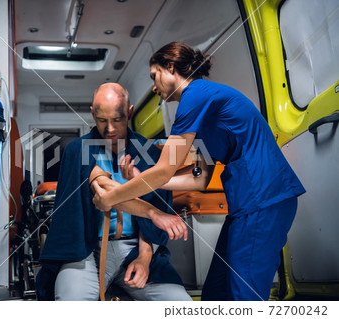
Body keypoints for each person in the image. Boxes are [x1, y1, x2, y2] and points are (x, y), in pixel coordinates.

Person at [92, 42, 306, 301]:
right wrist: (140, 179)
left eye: (154, 76)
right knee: (216, 292)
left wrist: (111, 198)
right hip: (247, 206)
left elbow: (162, 170)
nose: (153, 86)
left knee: (245, 297)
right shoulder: (199, 109)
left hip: (264, 199)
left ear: (170, 67)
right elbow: (200, 177)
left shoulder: (195, 96)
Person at [35, 82, 191, 301]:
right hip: (86, 252)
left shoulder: (149, 153)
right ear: (93, 114)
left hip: (134, 249)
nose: (109, 129)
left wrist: (145, 258)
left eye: (117, 120)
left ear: (129, 112)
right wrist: (155, 214)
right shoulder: (77, 150)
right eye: (102, 120)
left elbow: (156, 200)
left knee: (180, 304)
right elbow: (104, 194)